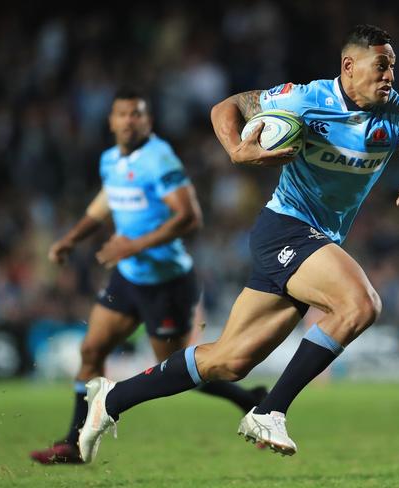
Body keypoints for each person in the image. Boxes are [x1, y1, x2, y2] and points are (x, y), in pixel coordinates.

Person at [77, 24, 399, 462]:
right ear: (349, 67)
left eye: (393, 67)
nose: (390, 76)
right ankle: (271, 409)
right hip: (286, 227)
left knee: (229, 361)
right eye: (381, 66)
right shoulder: (306, 99)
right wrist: (237, 149)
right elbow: (227, 106)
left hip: (316, 238)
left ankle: (112, 399)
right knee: (361, 303)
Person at [30, 88, 267, 465]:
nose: (130, 121)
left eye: (137, 114)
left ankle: (250, 400)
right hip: (129, 278)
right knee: (91, 350)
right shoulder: (110, 160)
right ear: (111, 121)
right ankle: (74, 443)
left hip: (167, 282)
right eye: (123, 114)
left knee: (173, 370)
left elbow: (189, 217)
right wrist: (69, 240)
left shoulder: (159, 159)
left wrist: (133, 245)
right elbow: (106, 201)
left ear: (148, 121)